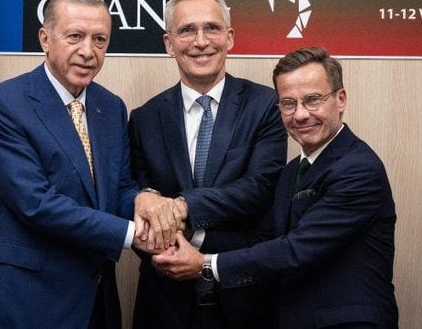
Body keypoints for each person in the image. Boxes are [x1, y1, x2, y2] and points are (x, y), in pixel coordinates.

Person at [0, 0, 180, 329]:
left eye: (100, 40)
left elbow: (119, 187)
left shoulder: (111, 107)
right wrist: (134, 234)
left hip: (95, 299)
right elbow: (36, 203)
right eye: (75, 36)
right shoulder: (3, 103)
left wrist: (145, 200)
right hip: (26, 299)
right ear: (45, 39)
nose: (88, 51)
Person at [154, 47, 398, 328]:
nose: (301, 115)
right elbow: (264, 239)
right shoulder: (292, 171)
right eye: (288, 103)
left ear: (340, 99)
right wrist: (188, 236)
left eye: (313, 100)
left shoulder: (359, 168)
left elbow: (296, 249)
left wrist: (205, 265)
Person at [129, 0, 287, 328]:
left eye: (211, 28)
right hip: (165, 306)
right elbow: (138, 200)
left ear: (229, 38)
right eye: (187, 30)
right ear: (169, 43)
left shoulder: (266, 107)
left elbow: (260, 189)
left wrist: (183, 208)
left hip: (245, 300)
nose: (201, 42)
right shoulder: (144, 119)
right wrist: (163, 234)